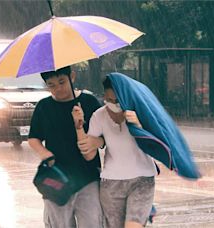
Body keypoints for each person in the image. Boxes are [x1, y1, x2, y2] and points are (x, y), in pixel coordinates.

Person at [72, 76, 157, 228]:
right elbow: (89, 154)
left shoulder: (141, 111)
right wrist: (79, 126)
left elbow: (157, 143)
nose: (114, 104)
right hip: (112, 184)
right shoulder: (99, 116)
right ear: (104, 96)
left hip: (143, 179)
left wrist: (139, 124)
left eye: (117, 100)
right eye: (109, 99)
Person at [28, 66, 103, 228]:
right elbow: (33, 138)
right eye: (52, 85)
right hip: (56, 179)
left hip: (87, 177)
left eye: (62, 82)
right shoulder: (44, 107)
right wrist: (46, 155)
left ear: (72, 77)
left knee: (93, 223)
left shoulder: (89, 102)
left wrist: (96, 142)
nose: (58, 89)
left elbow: (105, 136)